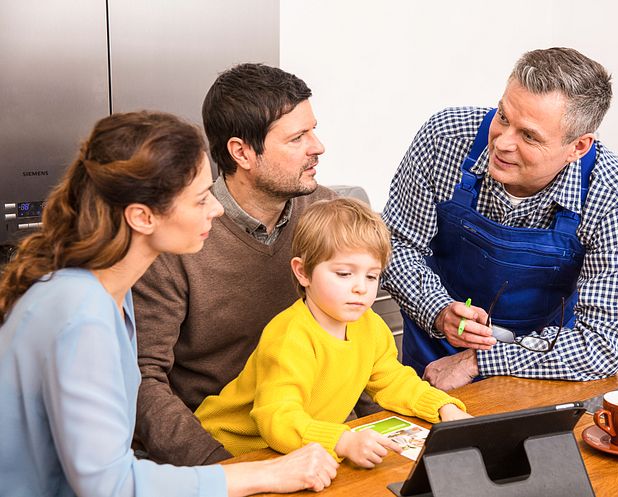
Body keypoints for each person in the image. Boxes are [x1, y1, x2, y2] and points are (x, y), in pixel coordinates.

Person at [0, 111, 338, 497]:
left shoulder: (108, 288)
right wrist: (264, 474)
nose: (216, 208)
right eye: (199, 200)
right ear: (142, 217)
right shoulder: (81, 315)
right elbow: (109, 485)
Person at [381, 47, 618, 390]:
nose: (503, 143)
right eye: (504, 117)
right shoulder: (444, 137)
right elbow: (396, 245)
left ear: (578, 147)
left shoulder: (612, 194)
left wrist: (481, 358)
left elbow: (603, 345)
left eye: (529, 136)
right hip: (432, 358)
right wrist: (438, 309)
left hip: (543, 366)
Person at [132, 64, 338, 466]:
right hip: (222, 448)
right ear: (241, 152)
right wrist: (227, 471)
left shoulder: (329, 213)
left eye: (312, 129)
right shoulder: (177, 240)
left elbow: (357, 336)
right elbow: (143, 381)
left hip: (321, 437)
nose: (318, 146)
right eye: (298, 137)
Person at [194, 198, 470, 468]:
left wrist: (443, 407)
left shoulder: (370, 326)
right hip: (233, 451)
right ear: (303, 273)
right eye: (344, 274)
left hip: (297, 449)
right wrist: (342, 442)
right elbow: (277, 419)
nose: (361, 288)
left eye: (371, 276)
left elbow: (393, 381)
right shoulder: (290, 337)